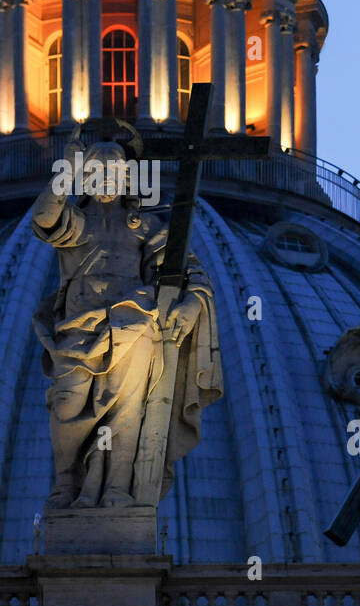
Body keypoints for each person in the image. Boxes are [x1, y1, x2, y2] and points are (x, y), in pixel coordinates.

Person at [31, 133, 221, 509]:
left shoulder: (147, 227)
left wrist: (191, 306)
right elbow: (44, 217)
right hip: (78, 326)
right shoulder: (77, 224)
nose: (105, 178)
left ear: (128, 178)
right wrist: (64, 171)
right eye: (96, 171)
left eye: (113, 171)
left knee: (127, 410)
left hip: (134, 321)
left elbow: (186, 274)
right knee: (67, 402)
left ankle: (117, 486)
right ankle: (67, 480)